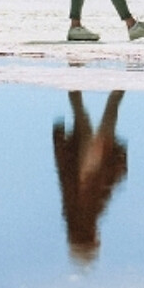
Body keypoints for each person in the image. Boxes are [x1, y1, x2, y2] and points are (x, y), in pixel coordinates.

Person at [53, 89, 129, 266]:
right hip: (93, 160)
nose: (98, 239)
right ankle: (76, 66)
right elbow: (67, 178)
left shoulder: (84, 213)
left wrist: (113, 166)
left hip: (93, 161)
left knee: (108, 104)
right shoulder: (79, 214)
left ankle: (124, 67)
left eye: (95, 243)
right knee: (84, 107)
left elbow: (84, 183)